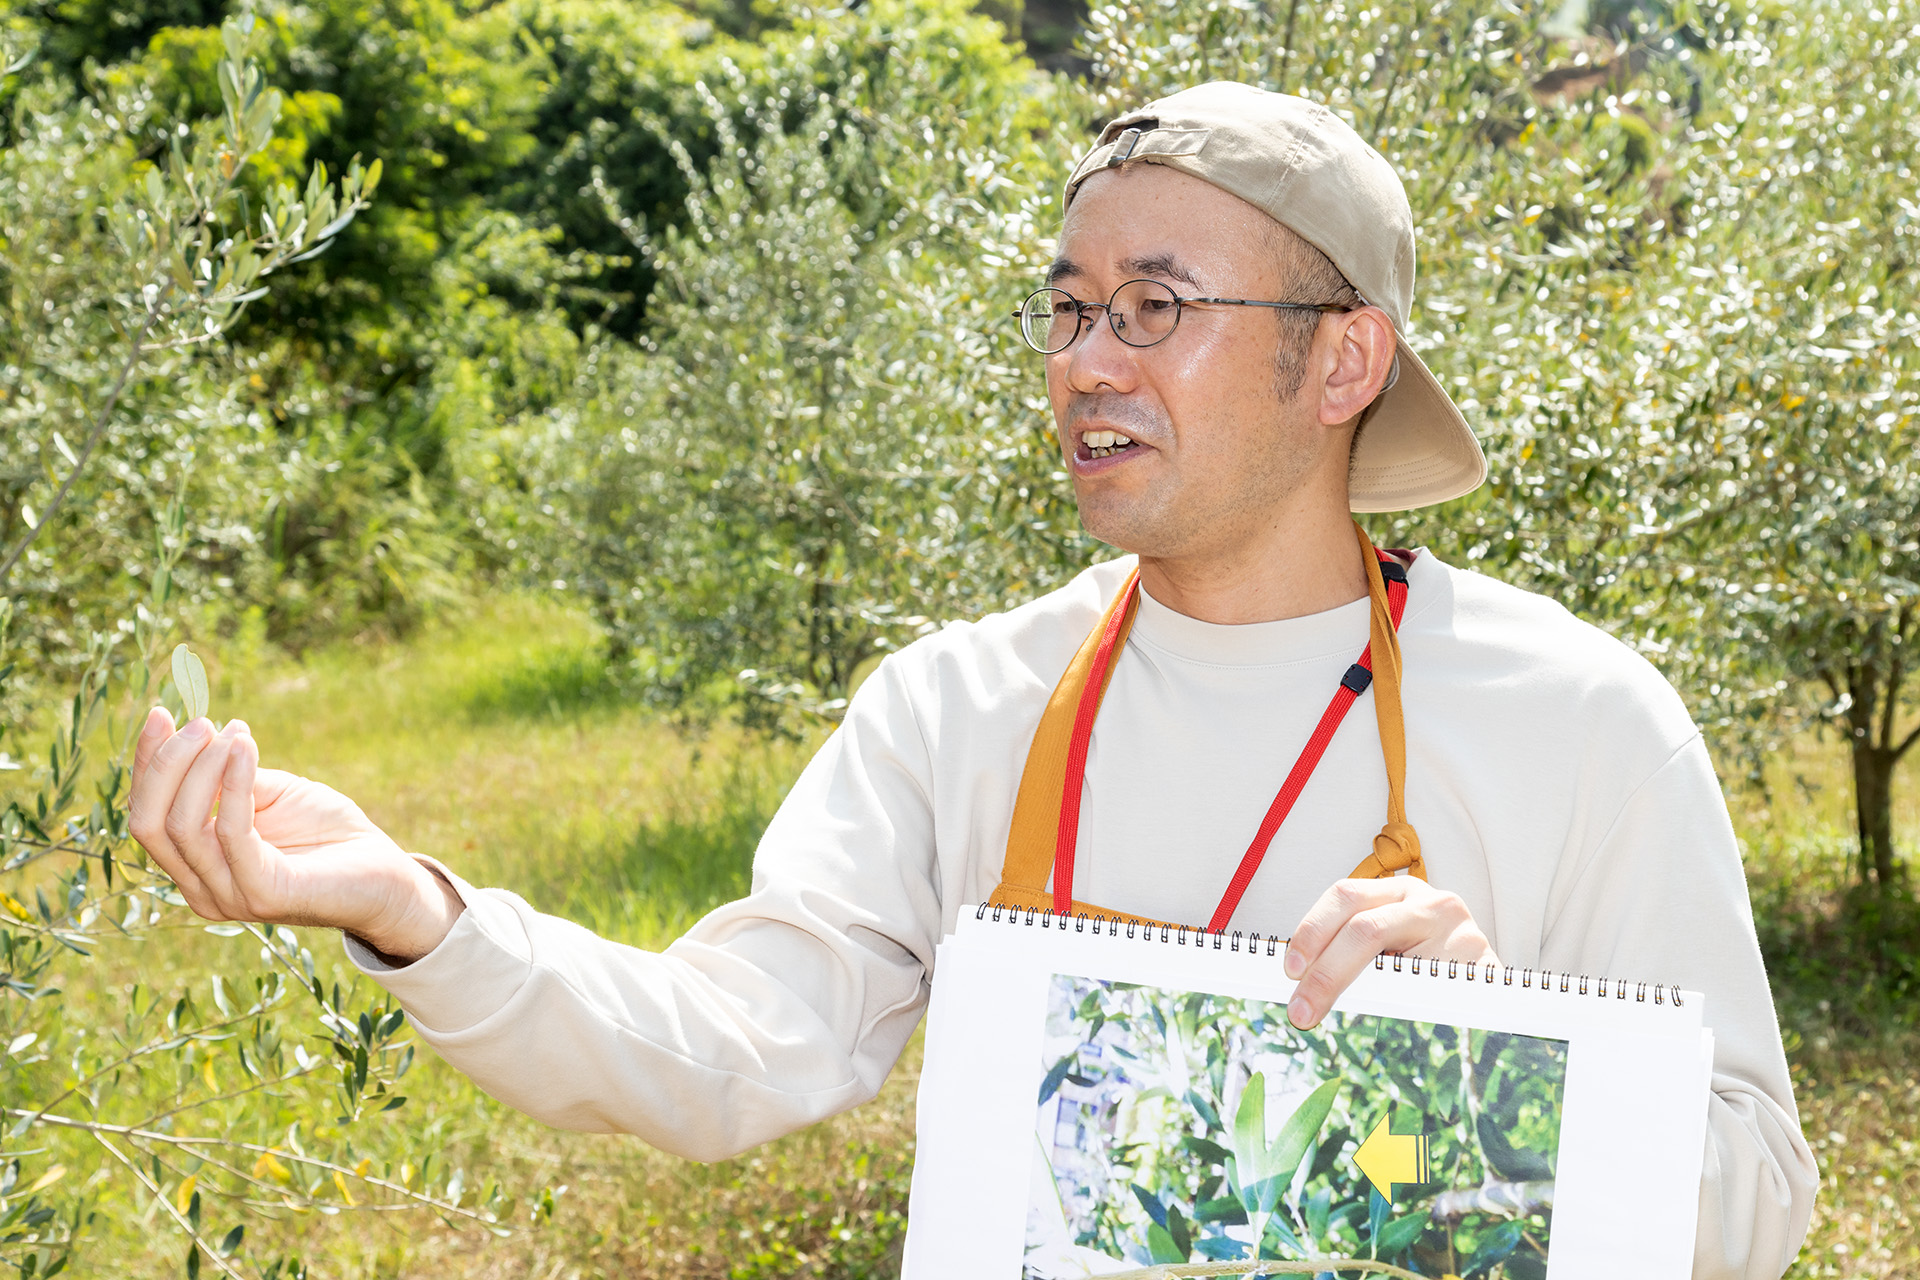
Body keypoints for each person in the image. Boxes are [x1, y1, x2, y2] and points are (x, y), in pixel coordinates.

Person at [126, 82, 1814, 1277]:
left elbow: (1758, 1202)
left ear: (1344, 359)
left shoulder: (1581, 720)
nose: (1087, 361)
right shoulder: (961, 706)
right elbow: (728, 1050)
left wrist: (1487, 1063)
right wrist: (409, 906)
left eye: (1159, 308)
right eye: (1071, 307)